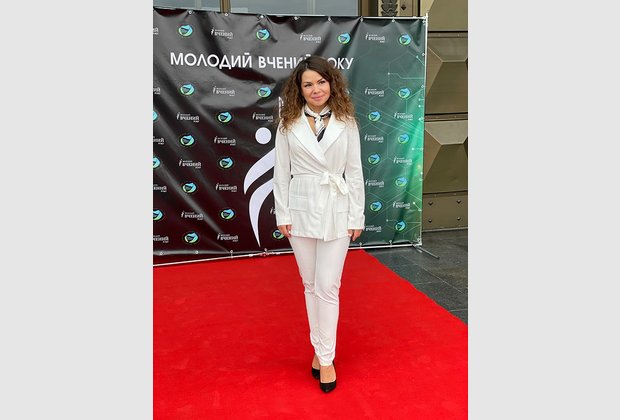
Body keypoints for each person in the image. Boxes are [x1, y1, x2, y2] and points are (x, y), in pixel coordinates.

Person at [272, 55, 365, 393]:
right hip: (300, 210)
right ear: (299, 89)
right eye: (308, 84)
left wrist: (356, 215)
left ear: (331, 83)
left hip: (337, 208)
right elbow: (281, 171)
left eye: (321, 82)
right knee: (310, 284)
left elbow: (354, 172)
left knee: (328, 285)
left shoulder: (347, 122)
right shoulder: (288, 123)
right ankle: (320, 349)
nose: (316, 89)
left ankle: (326, 358)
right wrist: (283, 213)